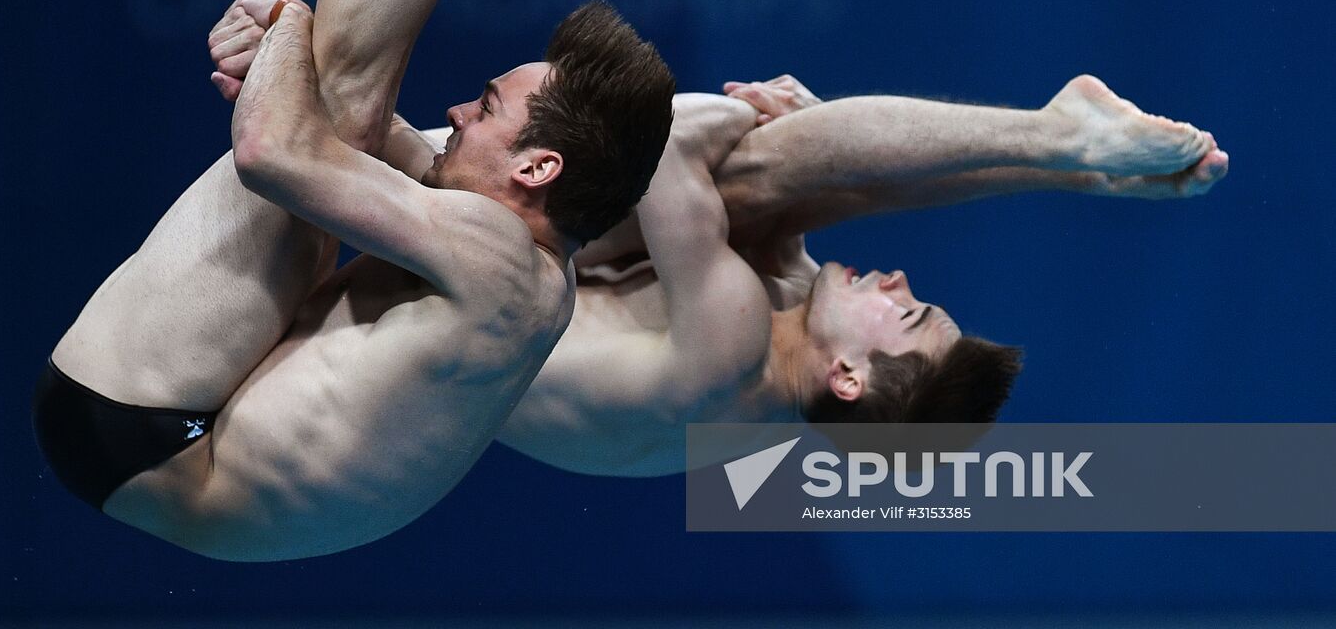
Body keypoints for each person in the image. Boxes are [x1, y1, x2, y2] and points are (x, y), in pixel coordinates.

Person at [32, 0, 673, 561]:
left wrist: (288, 25)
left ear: (538, 168)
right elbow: (365, 144)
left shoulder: (500, 266)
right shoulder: (530, 271)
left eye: (486, 109)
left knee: (335, 95)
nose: (457, 110)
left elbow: (269, 150)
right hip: (159, 443)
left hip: (144, 425)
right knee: (338, 108)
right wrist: (285, 70)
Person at [493, 73, 1227, 475]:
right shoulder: (786, 351)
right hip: (527, 272)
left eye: (905, 314)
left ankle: (1063, 136)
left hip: (463, 273)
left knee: (763, 170)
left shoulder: (728, 359)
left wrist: (748, 117)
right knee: (794, 176)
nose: (901, 281)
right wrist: (820, 126)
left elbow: (662, 140)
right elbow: (857, 183)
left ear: (848, 375)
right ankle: (1072, 162)